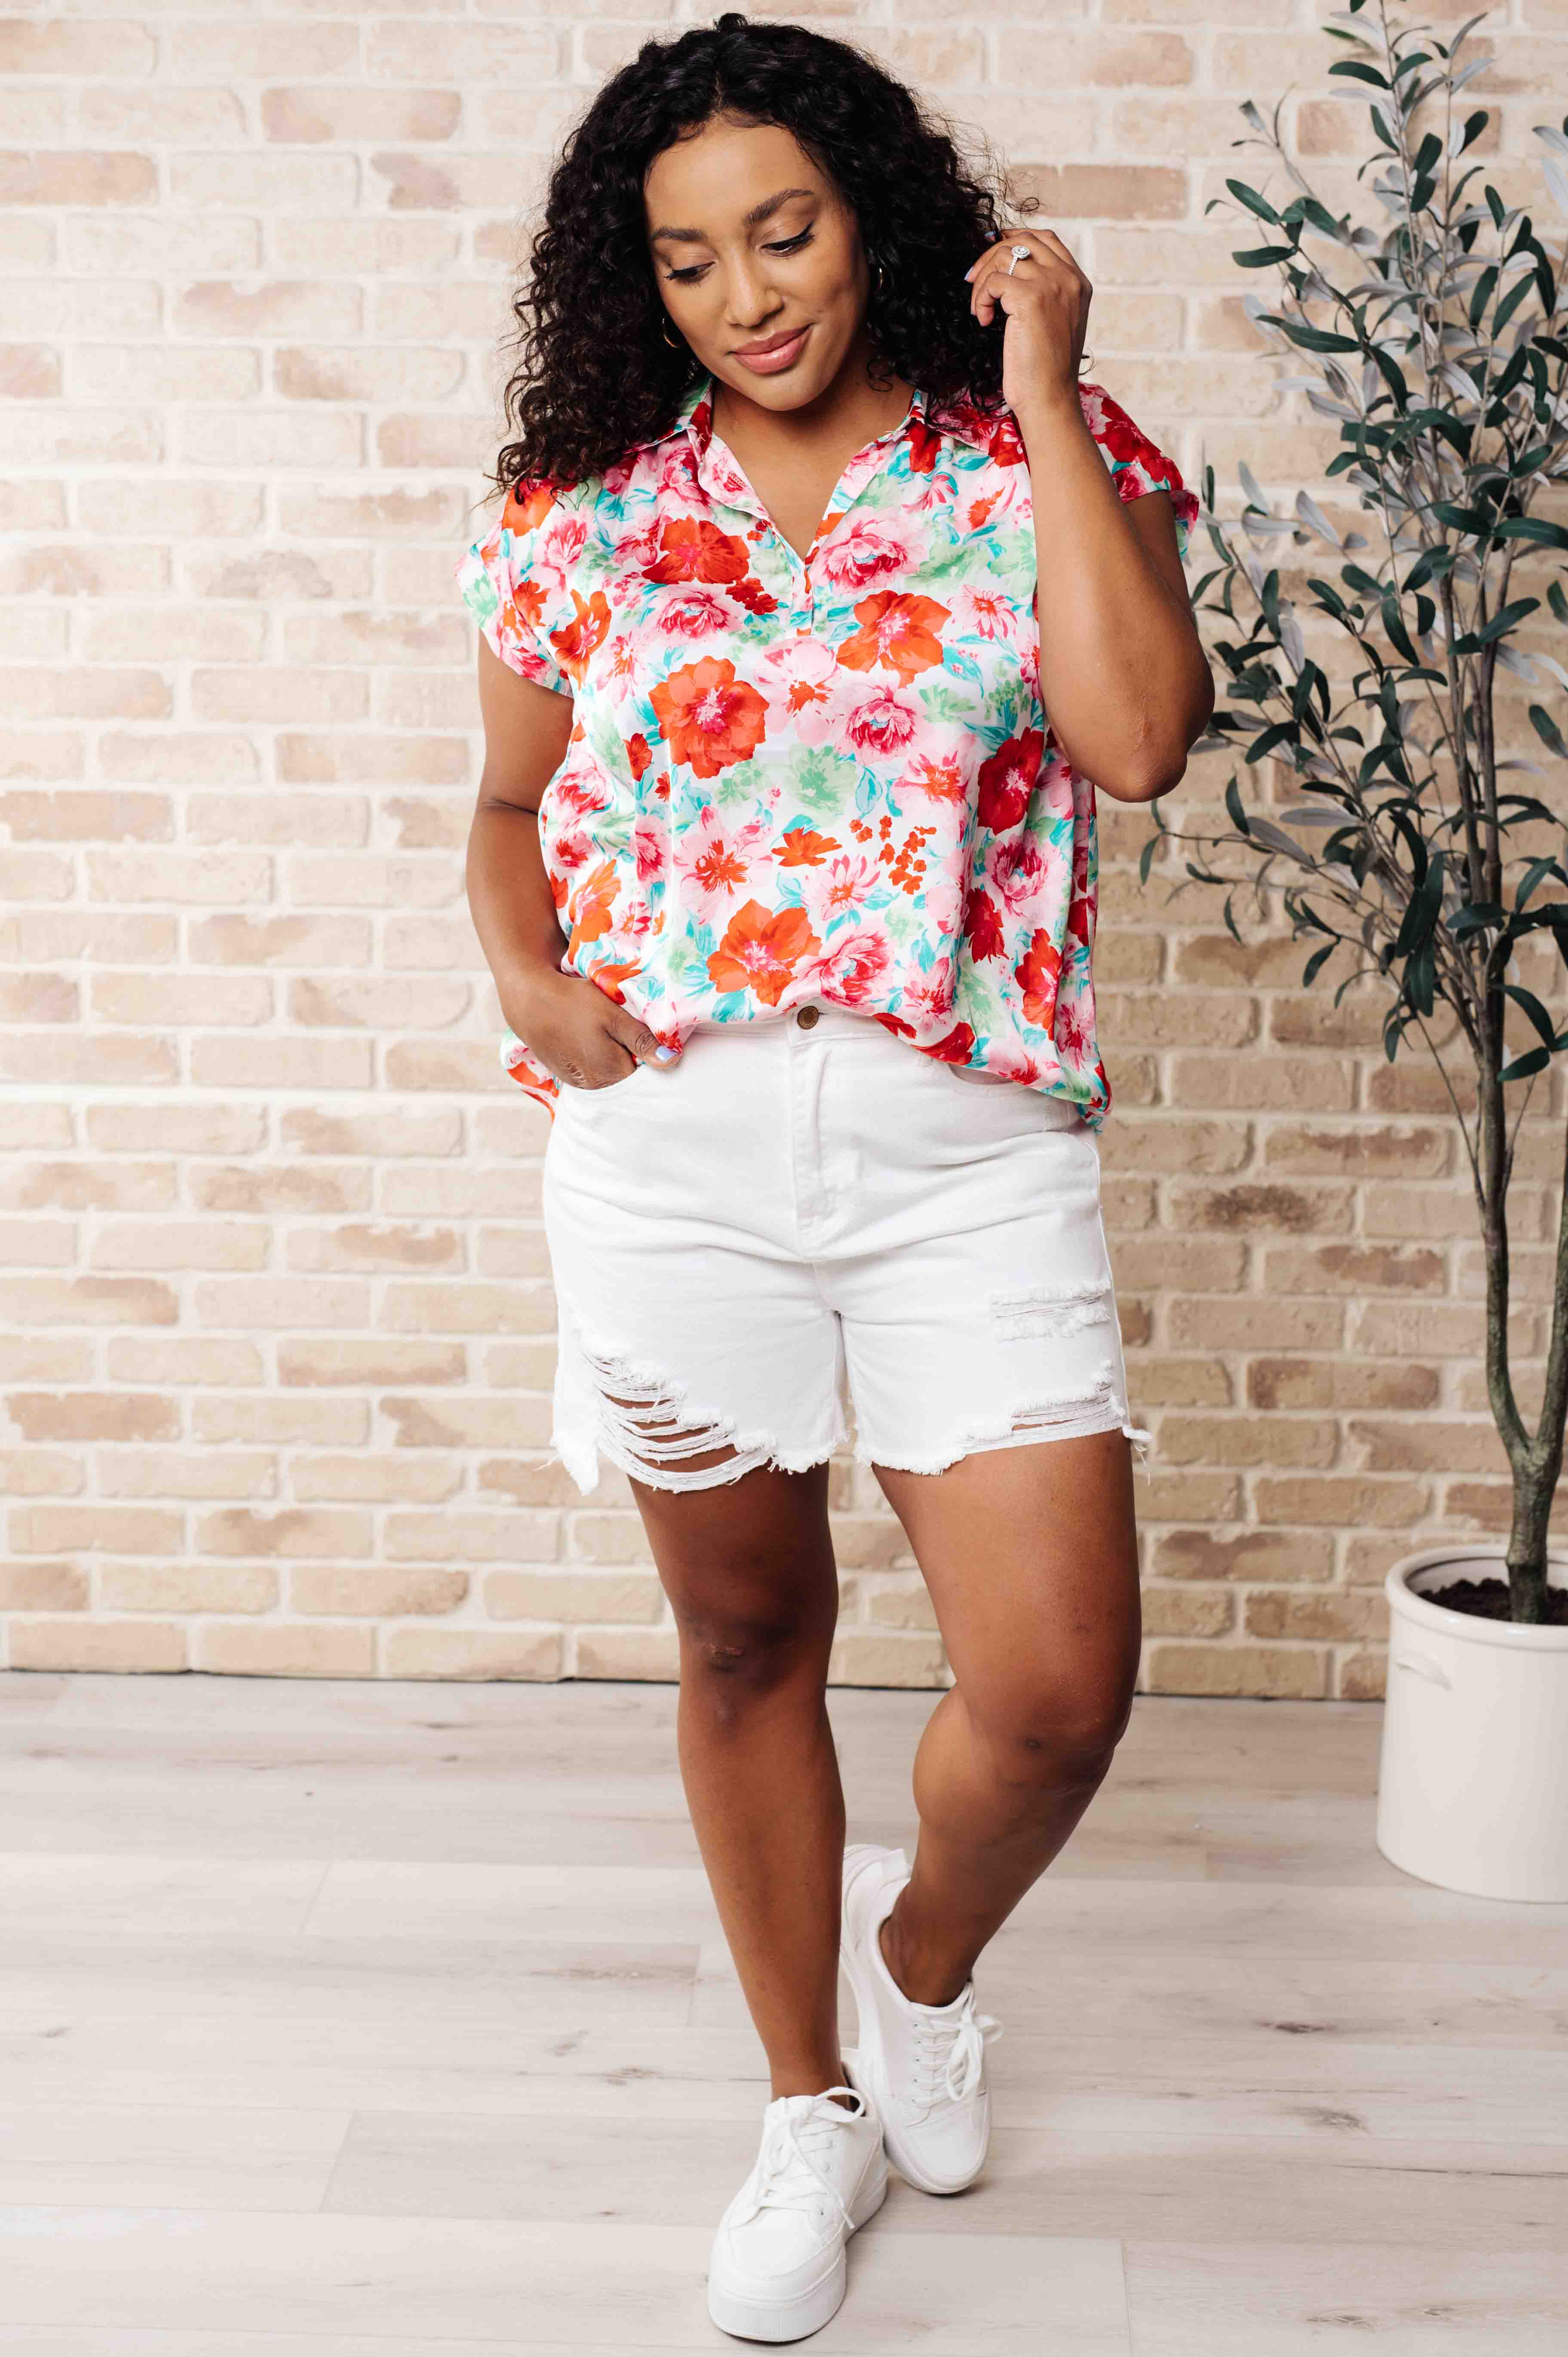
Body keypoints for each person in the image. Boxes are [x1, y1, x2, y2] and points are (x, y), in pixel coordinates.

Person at [458, 13, 1211, 2343]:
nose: (746, 295)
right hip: (670, 1155)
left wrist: (1048, 383)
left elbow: (1138, 741)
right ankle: (807, 2107)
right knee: (745, 1640)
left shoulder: (1036, 454)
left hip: (964, 1145)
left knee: (1056, 1688)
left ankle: (920, 1974)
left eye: (781, 233)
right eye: (687, 261)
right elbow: (509, 807)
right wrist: (528, 978)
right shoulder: (584, 504)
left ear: (870, 211)